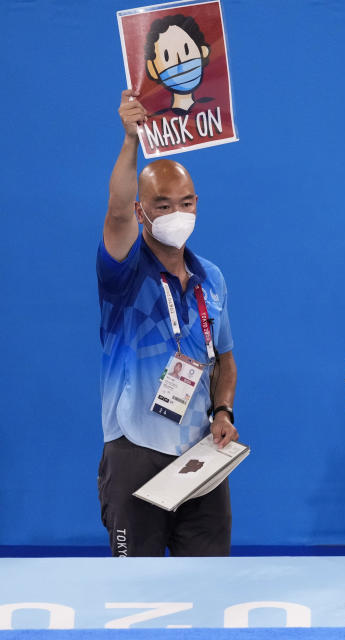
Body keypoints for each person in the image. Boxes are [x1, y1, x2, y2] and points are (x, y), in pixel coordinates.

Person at [97, 89, 238, 557]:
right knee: (133, 589)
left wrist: (223, 411)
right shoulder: (123, 270)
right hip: (134, 451)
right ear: (142, 213)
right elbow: (115, 211)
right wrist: (130, 141)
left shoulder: (211, 278)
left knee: (208, 586)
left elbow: (226, 360)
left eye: (186, 202)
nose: (177, 214)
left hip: (199, 457)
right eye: (162, 204)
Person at [144, 14, 212, 114]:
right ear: (152, 69)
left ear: (203, 51)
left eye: (186, 50)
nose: (180, 64)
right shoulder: (155, 117)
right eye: (167, 57)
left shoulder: (214, 106)